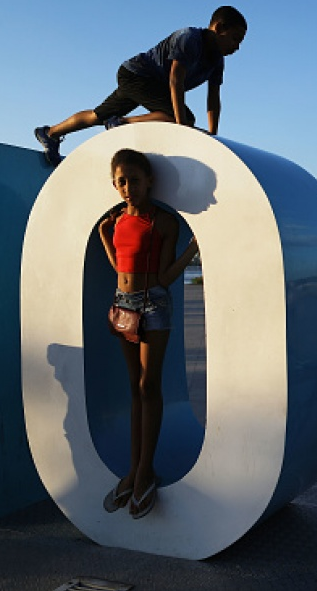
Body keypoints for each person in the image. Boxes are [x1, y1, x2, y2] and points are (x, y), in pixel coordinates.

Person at [99, 149, 199, 519]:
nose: (128, 188)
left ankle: (144, 471)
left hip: (153, 304)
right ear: (115, 183)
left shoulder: (163, 222)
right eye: (121, 181)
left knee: (148, 387)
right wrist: (106, 238)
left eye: (135, 180)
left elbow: (163, 278)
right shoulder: (117, 221)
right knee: (133, 389)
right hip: (122, 305)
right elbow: (119, 268)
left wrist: (190, 250)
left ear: (150, 180)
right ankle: (133, 469)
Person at [35, 6, 247, 166]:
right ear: (218, 28)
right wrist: (183, 126)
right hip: (136, 75)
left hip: (147, 83)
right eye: (235, 39)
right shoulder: (189, 39)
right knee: (182, 117)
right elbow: (176, 81)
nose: (237, 47)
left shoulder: (217, 60)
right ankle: (121, 123)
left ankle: (50, 133)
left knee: (97, 116)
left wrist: (213, 134)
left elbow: (213, 97)